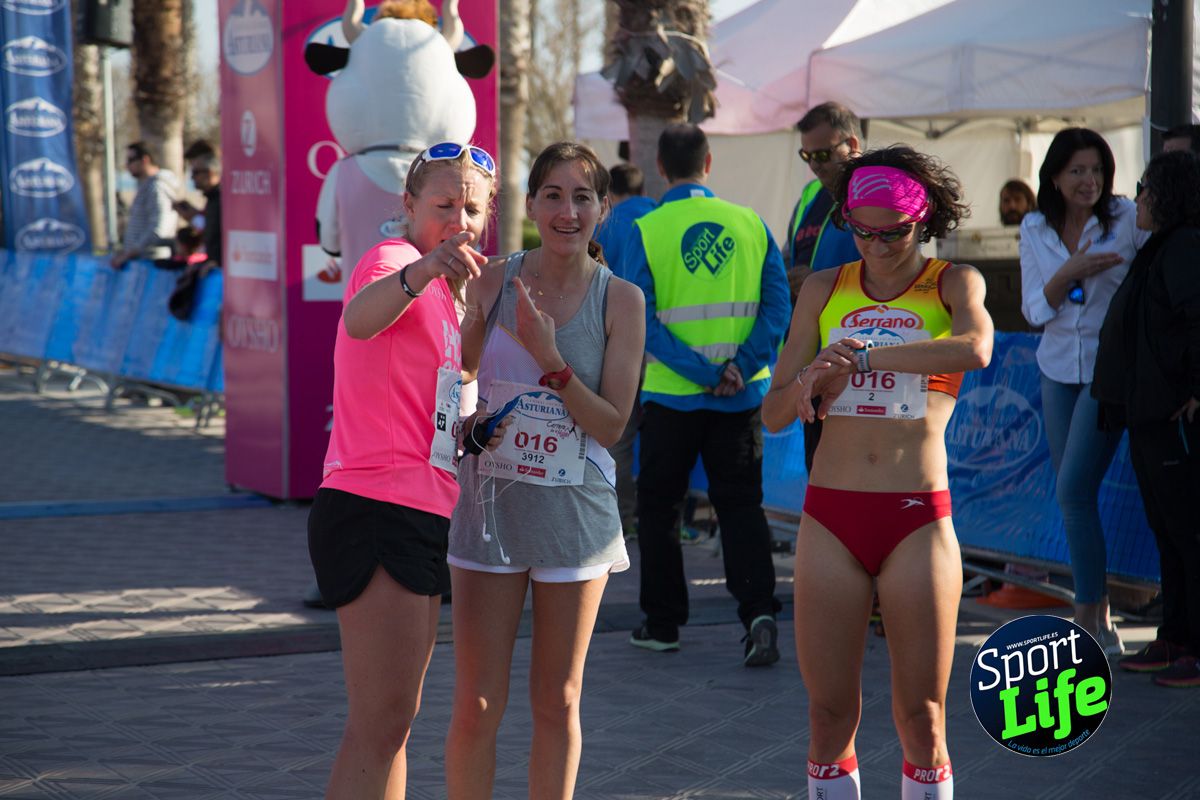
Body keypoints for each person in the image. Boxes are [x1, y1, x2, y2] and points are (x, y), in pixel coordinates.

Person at [764, 145, 991, 799]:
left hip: (916, 517)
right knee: (828, 715)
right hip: (831, 517)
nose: (877, 245)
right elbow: (775, 412)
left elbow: (976, 346)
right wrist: (812, 376)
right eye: (862, 230)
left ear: (922, 221)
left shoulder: (952, 282)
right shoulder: (823, 288)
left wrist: (867, 360)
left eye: (892, 232)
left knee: (922, 719)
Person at [444, 142, 645, 799]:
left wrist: (551, 361)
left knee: (556, 699)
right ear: (530, 205)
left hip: (575, 520)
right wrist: (464, 421)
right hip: (489, 515)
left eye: (582, 196)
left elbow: (612, 425)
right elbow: (458, 379)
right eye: (553, 196)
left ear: (603, 209)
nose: (567, 211)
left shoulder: (622, 301)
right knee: (476, 701)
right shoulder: (493, 279)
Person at [306, 141, 496, 800]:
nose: (459, 221)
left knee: (393, 725)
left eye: (471, 208)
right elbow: (358, 320)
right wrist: (421, 273)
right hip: (374, 505)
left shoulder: (450, 295)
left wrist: (472, 432)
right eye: (444, 204)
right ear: (408, 206)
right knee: (379, 723)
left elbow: (431, 409)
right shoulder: (395, 260)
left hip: (418, 508)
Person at [625, 123, 789, 666]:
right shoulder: (752, 223)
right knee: (740, 506)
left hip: (672, 398)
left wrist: (698, 371)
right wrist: (739, 367)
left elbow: (639, 320)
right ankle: (759, 612)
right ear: (709, 163)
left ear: (662, 170)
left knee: (660, 509)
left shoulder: (647, 230)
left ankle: (663, 622)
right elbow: (777, 311)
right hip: (740, 400)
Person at [1019, 127, 1148, 653]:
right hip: (1054, 370)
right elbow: (1033, 311)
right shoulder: (1034, 226)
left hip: (1108, 372)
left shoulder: (1126, 220)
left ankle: (1085, 621)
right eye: (1076, 170)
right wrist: (1068, 271)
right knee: (1076, 497)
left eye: (1096, 169)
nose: (1088, 180)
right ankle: (1102, 616)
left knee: (1072, 492)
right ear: (1054, 176)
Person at [1094, 149, 1200, 688]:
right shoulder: (1162, 246)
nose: (1137, 199)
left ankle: (1192, 646)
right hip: (1148, 414)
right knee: (1168, 532)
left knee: (1188, 533)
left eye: (1144, 189)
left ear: (1166, 196)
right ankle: (1175, 636)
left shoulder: (1184, 246)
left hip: (1171, 418)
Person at [787, 102, 865, 472]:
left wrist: (821, 282)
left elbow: (896, 272)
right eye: (807, 155)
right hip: (815, 355)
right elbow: (791, 255)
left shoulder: (872, 196)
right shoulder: (809, 196)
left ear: (851, 143)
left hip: (861, 357)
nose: (815, 164)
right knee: (819, 471)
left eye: (823, 154)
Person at [593, 161, 657, 538]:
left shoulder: (604, 225)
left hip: (616, 345)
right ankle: (662, 518)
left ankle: (621, 519)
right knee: (665, 442)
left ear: (609, 194)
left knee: (620, 435)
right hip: (670, 356)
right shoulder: (662, 219)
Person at [112, 142, 178, 268]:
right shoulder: (146, 186)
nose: (127, 165)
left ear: (145, 160)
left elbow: (160, 227)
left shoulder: (157, 187)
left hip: (152, 264)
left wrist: (133, 251)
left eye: (131, 160)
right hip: (142, 262)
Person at [594, 162, 656, 279]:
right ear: (643, 192)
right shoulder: (661, 219)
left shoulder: (601, 230)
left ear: (609, 194)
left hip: (616, 295)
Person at [175, 150, 222, 270]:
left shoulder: (222, 199)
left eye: (195, 173)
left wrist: (217, 261)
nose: (192, 177)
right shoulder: (211, 199)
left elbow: (219, 233)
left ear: (210, 173)